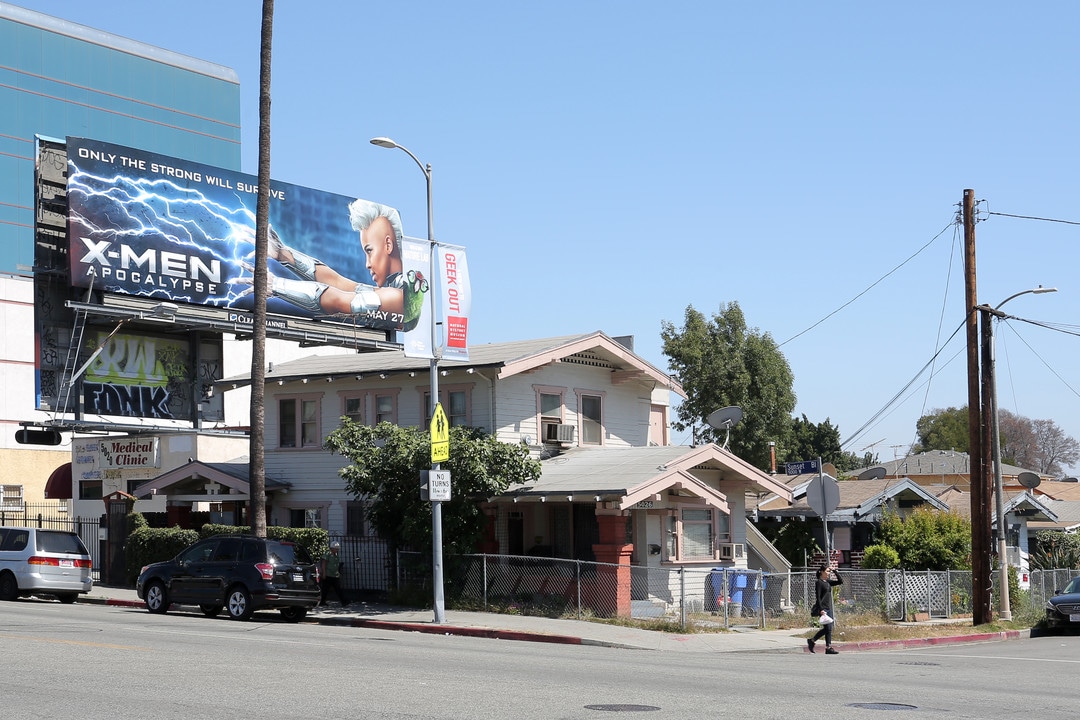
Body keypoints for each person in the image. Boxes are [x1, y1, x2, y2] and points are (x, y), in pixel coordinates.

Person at [238, 199, 427, 330]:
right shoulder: (393, 289)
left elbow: (341, 301)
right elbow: (338, 282)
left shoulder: (398, 295)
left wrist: (278, 285)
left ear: (388, 244)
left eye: (369, 251)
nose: (367, 264)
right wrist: (283, 254)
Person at [808, 564, 842, 654]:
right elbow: (818, 597)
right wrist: (821, 609)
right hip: (823, 608)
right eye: (827, 571)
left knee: (829, 628)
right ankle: (813, 641)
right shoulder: (819, 582)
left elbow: (840, 581)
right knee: (828, 628)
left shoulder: (827, 582)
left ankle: (827, 647)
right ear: (822, 572)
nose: (828, 573)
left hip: (828, 608)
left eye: (829, 571)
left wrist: (834, 571)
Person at [319, 541, 348, 608]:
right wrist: (324, 573)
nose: (337, 550)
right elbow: (324, 563)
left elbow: (336, 565)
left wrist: (338, 572)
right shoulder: (328, 554)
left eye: (338, 548)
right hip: (328, 574)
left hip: (334, 575)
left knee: (338, 589)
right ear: (332, 548)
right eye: (336, 548)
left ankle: (344, 601)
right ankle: (322, 601)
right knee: (325, 589)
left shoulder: (336, 555)